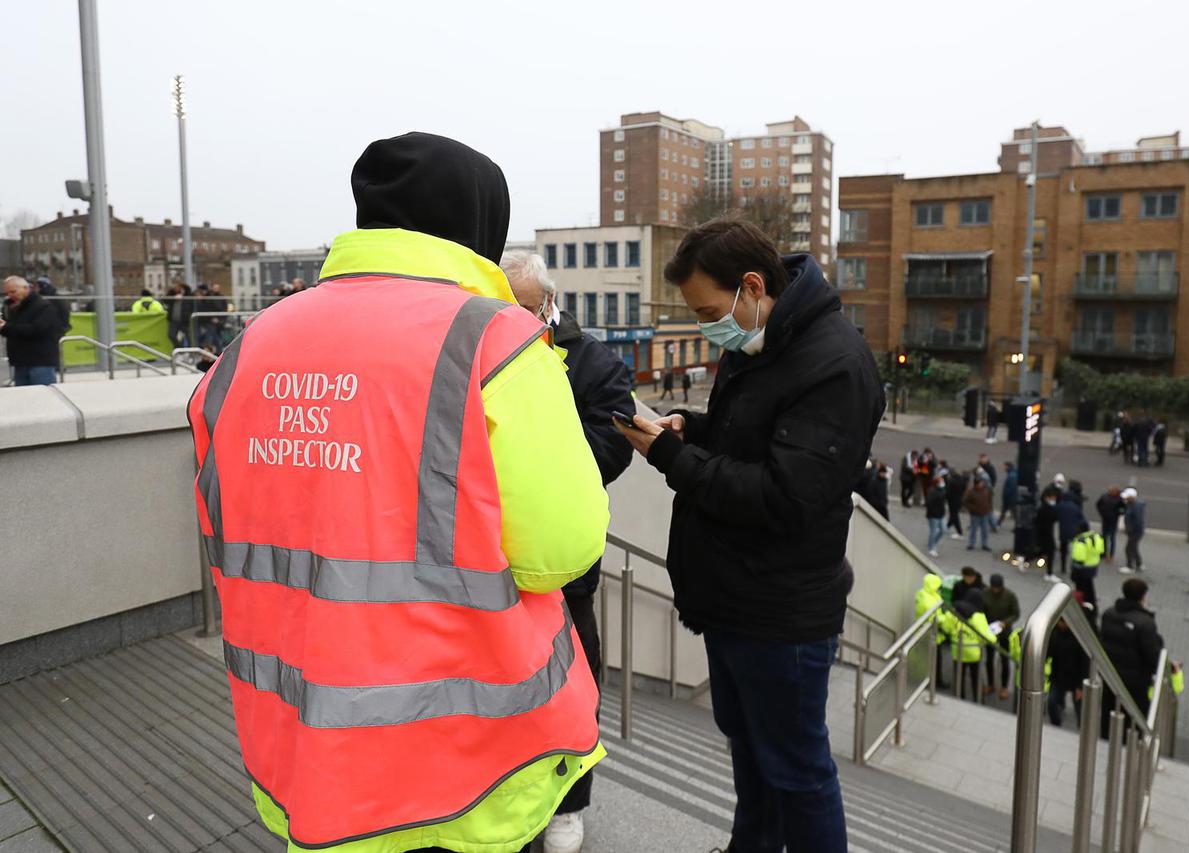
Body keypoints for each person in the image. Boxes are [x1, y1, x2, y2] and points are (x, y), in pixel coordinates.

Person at [187, 133, 609, 853]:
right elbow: (559, 552)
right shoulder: (497, 340)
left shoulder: (250, 344)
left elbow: (227, 522)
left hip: (304, 744)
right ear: (479, 227)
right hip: (463, 759)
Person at [614, 216, 883, 853]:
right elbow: (752, 437)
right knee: (752, 750)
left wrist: (669, 457)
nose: (709, 327)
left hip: (780, 609)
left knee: (796, 769)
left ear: (753, 286)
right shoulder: (764, 339)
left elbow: (786, 497)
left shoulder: (835, 364)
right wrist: (692, 428)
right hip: (734, 594)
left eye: (710, 310)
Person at [502, 249, 634, 853]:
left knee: (576, 687)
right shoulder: (480, 346)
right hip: (493, 569)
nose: (516, 317)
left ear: (550, 303)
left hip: (564, 571)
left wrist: (540, 449)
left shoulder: (592, 359)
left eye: (526, 307)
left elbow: (614, 444)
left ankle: (569, 805)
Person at [1099, 579, 1163, 737]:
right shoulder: (1145, 623)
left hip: (1110, 677)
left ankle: (1107, 742)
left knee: (1109, 714)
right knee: (1135, 719)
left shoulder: (1109, 613)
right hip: (1135, 682)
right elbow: (1152, 655)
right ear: (1143, 597)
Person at [1, 275, 62, 386]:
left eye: (13, 291)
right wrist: (3, 327)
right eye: (7, 293)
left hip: (40, 361)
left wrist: (7, 327)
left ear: (25, 288)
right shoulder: (10, 307)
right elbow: (10, 330)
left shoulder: (44, 306)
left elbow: (37, 330)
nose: (10, 295)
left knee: (43, 396)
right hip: (20, 361)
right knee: (25, 399)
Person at [942, 587, 997, 702]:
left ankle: (959, 698)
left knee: (958, 676)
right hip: (973, 652)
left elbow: (946, 628)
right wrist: (994, 637)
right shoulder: (978, 616)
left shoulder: (953, 610)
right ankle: (978, 699)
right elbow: (987, 637)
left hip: (957, 649)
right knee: (976, 677)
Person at [980, 574, 1020, 701]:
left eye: (997, 588)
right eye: (993, 588)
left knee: (1005, 659)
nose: (995, 590)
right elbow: (981, 609)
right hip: (990, 631)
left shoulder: (1010, 596)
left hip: (1005, 632)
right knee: (989, 659)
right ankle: (991, 684)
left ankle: (1004, 687)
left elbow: (1016, 614)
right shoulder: (985, 593)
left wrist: (1005, 622)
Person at [1046, 618, 1087, 727]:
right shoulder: (1055, 634)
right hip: (1058, 677)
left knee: (1081, 711)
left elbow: (1084, 663)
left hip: (1075, 679)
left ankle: (1082, 730)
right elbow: (1049, 653)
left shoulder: (1079, 637)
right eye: (1060, 622)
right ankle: (1056, 725)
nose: (1061, 625)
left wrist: (1080, 686)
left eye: (1064, 622)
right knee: (1051, 702)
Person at [914, 573, 949, 689]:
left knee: (932, 658)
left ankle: (932, 680)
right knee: (933, 658)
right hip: (930, 632)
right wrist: (946, 619)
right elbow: (933, 617)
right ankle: (933, 681)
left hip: (931, 631)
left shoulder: (926, 593)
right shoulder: (927, 599)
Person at [1069, 521, 1105, 607]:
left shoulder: (1081, 541)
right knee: (1089, 585)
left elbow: (1079, 558)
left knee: (1080, 587)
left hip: (1082, 568)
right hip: (1093, 566)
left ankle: (1082, 603)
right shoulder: (1096, 537)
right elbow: (1102, 551)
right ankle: (1092, 600)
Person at [1056, 480, 1086, 573]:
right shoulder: (1075, 507)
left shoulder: (1060, 506)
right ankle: (1074, 565)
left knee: (1063, 549)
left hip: (1063, 529)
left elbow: (1055, 515)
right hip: (1074, 529)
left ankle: (1063, 567)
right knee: (1076, 548)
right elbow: (1081, 518)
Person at [962, 475, 993, 551]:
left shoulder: (987, 489)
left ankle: (985, 544)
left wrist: (989, 508)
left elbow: (990, 499)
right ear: (976, 484)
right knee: (973, 530)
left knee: (985, 530)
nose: (982, 484)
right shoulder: (971, 491)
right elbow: (965, 501)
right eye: (980, 483)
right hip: (975, 514)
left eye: (982, 482)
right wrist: (972, 509)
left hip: (985, 513)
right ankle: (971, 544)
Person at [1119, 487, 1145, 574]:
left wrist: (1129, 529)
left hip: (1135, 532)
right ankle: (1139, 564)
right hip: (1136, 531)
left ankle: (1130, 566)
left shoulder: (1135, 507)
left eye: (1127, 497)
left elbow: (1137, 520)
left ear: (1132, 497)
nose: (1125, 498)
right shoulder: (1133, 505)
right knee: (1134, 548)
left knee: (1129, 549)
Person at [1096, 485, 1124, 565]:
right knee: (1104, 538)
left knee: (1111, 539)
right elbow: (1098, 504)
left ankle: (1111, 555)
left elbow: (1123, 509)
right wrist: (1102, 513)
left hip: (1112, 522)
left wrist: (1118, 514)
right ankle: (1104, 553)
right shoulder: (1105, 497)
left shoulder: (1119, 499)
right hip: (1106, 521)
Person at [1035, 488, 1059, 581]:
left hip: (1046, 534)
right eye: (1052, 498)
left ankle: (1025, 560)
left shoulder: (1045, 508)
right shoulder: (1045, 509)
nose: (1054, 500)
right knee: (1050, 552)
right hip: (1046, 535)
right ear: (1047, 498)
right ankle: (1049, 573)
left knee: (1044, 552)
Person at [925, 476, 947, 557]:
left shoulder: (941, 490)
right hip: (934, 515)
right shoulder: (932, 491)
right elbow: (929, 503)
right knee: (933, 532)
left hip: (941, 514)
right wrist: (933, 512)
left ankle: (933, 543)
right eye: (941, 481)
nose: (942, 483)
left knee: (943, 530)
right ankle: (931, 548)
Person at [945, 463, 967, 540]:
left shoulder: (951, 481)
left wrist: (944, 499)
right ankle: (945, 528)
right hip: (959, 500)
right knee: (953, 515)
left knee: (954, 516)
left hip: (952, 501)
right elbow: (964, 488)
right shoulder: (961, 479)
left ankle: (960, 532)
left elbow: (948, 492)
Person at [999, 461, 1018, 526]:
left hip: (1010, 498)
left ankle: (998, 524)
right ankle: (998, 523)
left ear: (1008, 466)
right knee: (1006, 511)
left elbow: (1010, 489)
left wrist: (1005, 497)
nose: (1003, 468)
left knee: (1013, 512)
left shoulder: (1011, 476)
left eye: (1004, 466)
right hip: (1012, 498)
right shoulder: (1012, 474)